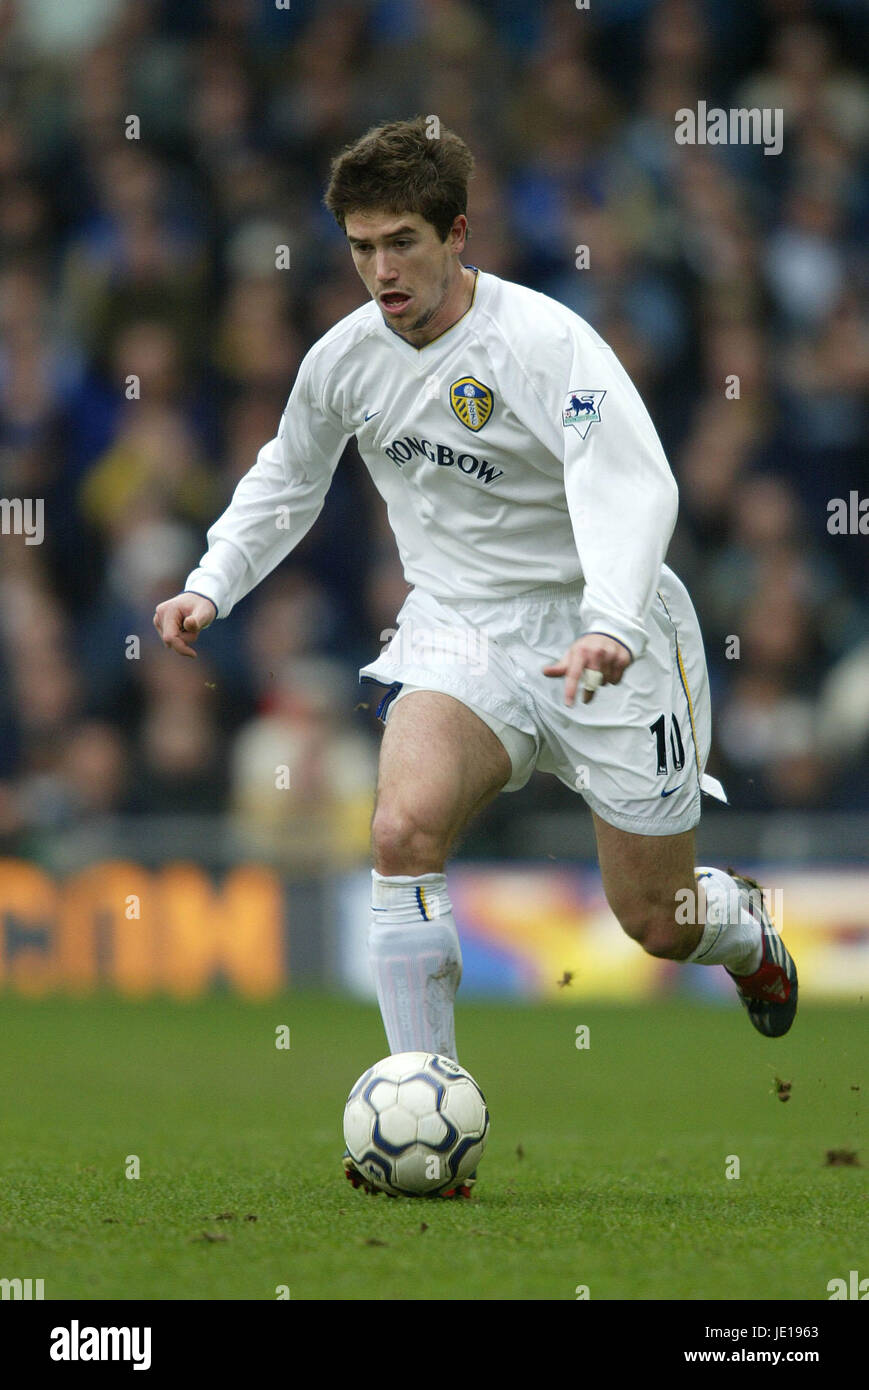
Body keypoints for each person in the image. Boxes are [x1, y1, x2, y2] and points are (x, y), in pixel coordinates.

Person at [154, 119, 798, 1198]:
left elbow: (630, 485)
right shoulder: (343, 360)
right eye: (359, 247)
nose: (380, 270)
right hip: (460, 624)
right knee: (400, 826)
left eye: (401, 241)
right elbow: (285, 477)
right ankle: (427, 1104)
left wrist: (610, 621)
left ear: (458, 234)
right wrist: (211, 579)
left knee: (655, 919)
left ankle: (740, 930)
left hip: (607, 632)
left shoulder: (547, 345)